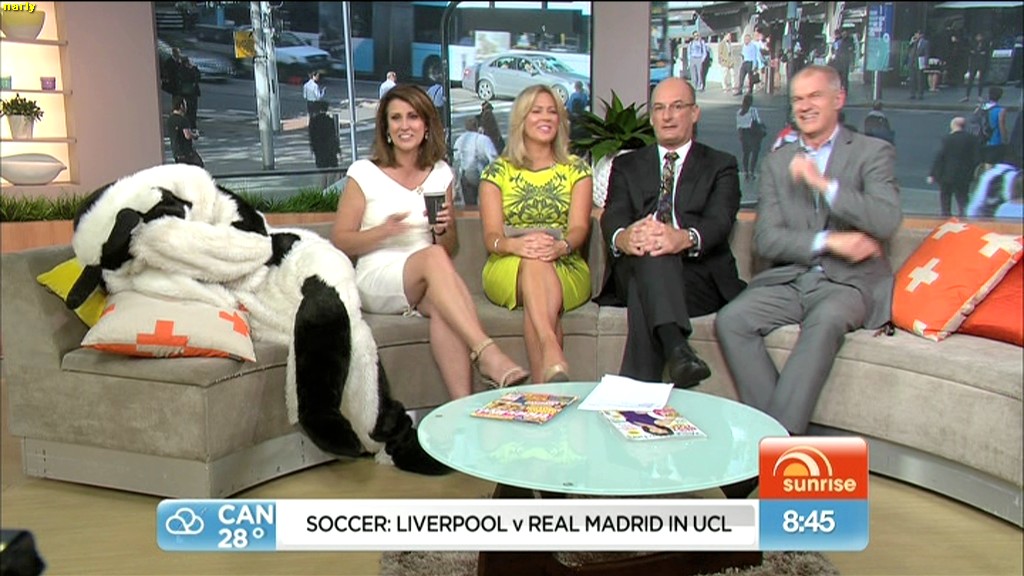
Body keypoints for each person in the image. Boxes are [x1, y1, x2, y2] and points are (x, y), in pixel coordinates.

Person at [715, 65, 902, 437]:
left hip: (848, 284)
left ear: (838, 99)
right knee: (732, 319)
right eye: (797, 99)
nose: (804, 106)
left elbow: (885, 220)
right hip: (790, 279)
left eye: (814, 96)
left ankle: (774, 445)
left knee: (826, 320)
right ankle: (781, 439)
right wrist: (829, 241)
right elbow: (766, 239)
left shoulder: (872, 152)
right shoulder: (777, 163)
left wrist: (823, 185)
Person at [331, 84, 528, 398]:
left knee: (446, 307)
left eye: (413, 117)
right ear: (386, 128)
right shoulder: (364, 173)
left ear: (426, 126)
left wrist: (442, 228)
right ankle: (487, 352)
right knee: (435, 259)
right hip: (377, 275)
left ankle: (462, 406)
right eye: (396, 118)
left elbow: (447, 247)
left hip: (428, 275)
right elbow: (340, 240)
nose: (404, 125)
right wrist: (383, 231)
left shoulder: (440, 173)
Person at [597, 77, 746, 388]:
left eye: (677, 107)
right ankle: (677, 349)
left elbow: (720, 221)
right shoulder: (627, 165)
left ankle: (638, 391)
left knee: (648, 275)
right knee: (651, 252)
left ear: (694, 113)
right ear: (652, 117)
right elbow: (614, 214)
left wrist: (682, 238)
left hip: (697, 277)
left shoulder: (720, 165)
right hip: (635, 264)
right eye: (659, 108)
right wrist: (624, 237)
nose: (667, 116)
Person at [479, 85, 594, 383]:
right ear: (521, 118)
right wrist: (516, 246)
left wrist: (561, 246)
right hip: (508, 262)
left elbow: (579, 229)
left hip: (565, 262)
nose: (546, 118)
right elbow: (491, 237)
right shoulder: (497, 172)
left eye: (552, 112)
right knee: (533, 260)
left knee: (538, 267)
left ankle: (540, 388)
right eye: (536, 111)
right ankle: (550, 347)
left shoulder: (577, 170)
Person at [928, 116, 981, 217]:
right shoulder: (972, 139)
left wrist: (932, 174)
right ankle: (964, 216)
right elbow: (976, 158)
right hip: (964, 174)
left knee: (945, 197)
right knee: (963, 197)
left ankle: (946, 216)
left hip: (947, 174)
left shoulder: (947, 139)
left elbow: (940, 157)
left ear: (953, 125)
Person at [453, 116, 497, 206]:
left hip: (464, 175)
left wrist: (457, 181)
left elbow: (456, 159)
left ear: (465, 127)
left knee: (469, 205)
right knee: (485, 204)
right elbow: (493, 158)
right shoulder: (483, 139)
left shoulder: (459, 140)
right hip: (480, 175)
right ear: (477, 126)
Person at [308, 101, 340, 189]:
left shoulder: (313, 122)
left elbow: (312, 137)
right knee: (333, 170)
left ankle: (323, 189)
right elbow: (333, 136)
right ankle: (330, 188)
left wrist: (313, 149)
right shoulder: (329, 120)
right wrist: (337, 149)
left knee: (322, 171)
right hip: (330, 149)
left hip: (319, 150)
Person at [166, 96, 203, 167]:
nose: (186, 107)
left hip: (177, 153)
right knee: (199, 165)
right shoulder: (183, 120)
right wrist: (195, 135)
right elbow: (187, 135)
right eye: (185, 104)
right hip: (187, 153)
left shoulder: (170, 119)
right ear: (181, 106)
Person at [736, 93, 765, 182]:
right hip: (753, 133)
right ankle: (752, 171)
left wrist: (740, 136)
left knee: (746, 154)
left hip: (744, 134)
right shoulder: (753, 110)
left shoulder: (739, 112)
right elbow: (757, 120)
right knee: (755, 153)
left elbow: (739, 126)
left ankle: (746, 172)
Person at [980, 86, 1009, 165]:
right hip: (995, 140)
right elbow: (1001, 126)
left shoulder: (981, 107)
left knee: (985, 163)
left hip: (982, 139)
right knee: (993, 163)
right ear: (1000, 96)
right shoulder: (1001, 110)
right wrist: (1005, 139)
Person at [962, 33, 991, 102]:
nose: (979, 38)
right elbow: (969, 51)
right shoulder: (972, 44)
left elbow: (987, 52)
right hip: (974, 63)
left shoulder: (985, 44)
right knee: (971, 79)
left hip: (982, 63)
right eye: (977, 36)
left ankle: (979, 96)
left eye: (980, 37)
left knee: (981, 80)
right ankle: (967, 96)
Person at [176, 57, 201, 130]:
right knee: (191, 110)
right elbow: (197, 77)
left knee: (188, 110)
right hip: (189, 92)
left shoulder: (180, 70)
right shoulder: (189, 70)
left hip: (185, 92)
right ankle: (191, 125)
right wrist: (193, 68)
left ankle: (189, 125)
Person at [908, 31, 929, 101]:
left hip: (920, 61)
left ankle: (920, 94)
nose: (915, 35)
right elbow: (909, 49)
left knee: (920, 79)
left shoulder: (925, 43)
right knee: (912, 79)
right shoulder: (914, 42)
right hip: (913, 61)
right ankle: (912, 94)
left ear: (921, 35)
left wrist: (926, 63)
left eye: (917, 34)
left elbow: (926, 53)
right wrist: (911, 42)